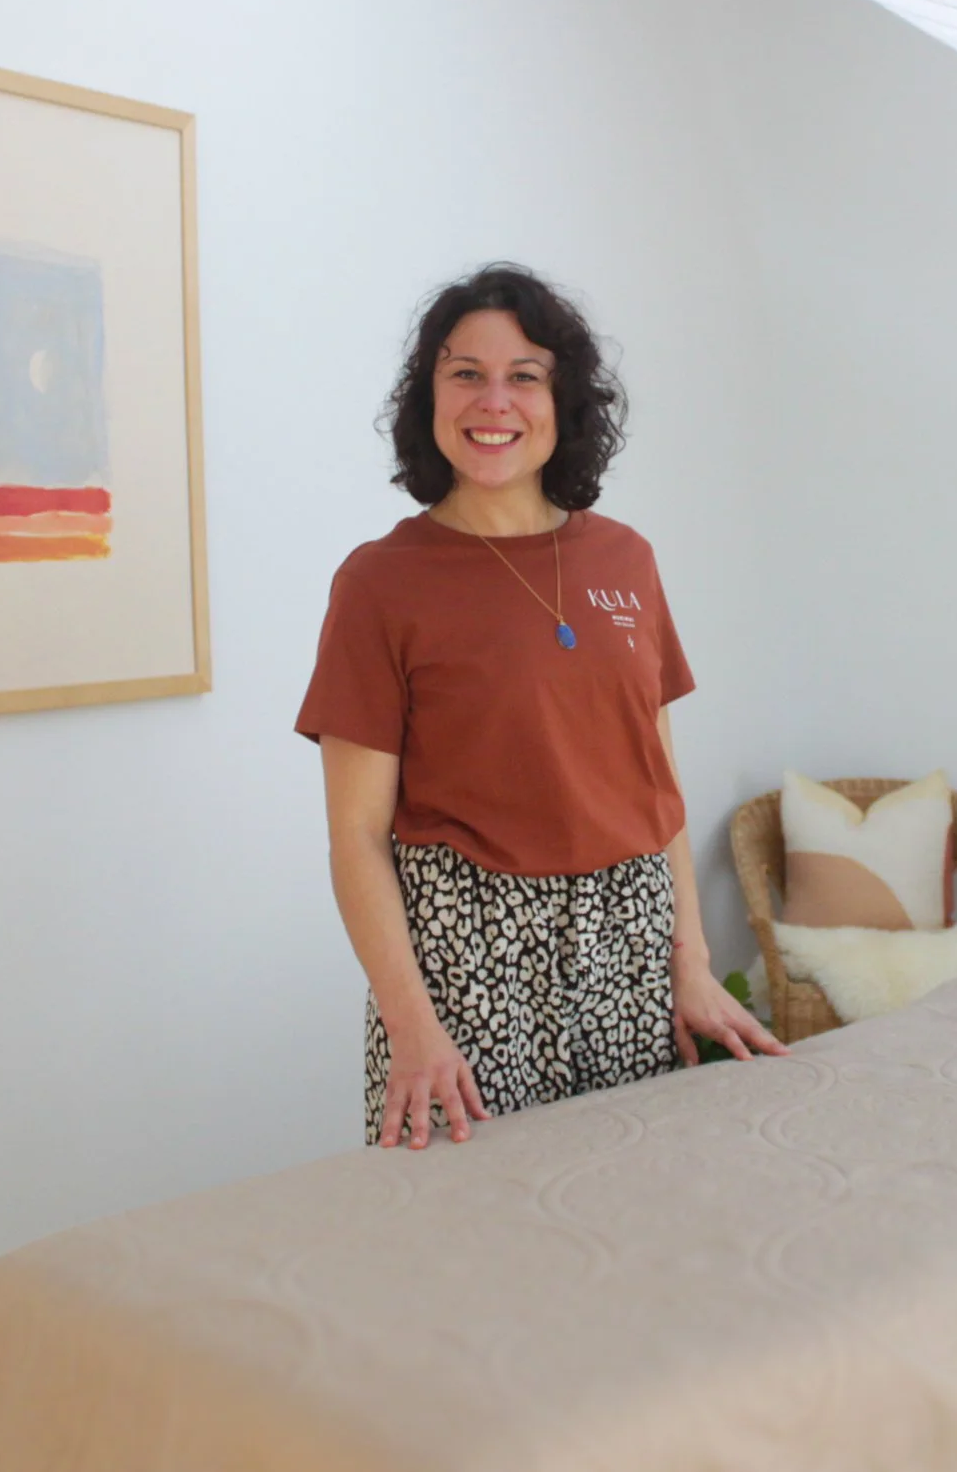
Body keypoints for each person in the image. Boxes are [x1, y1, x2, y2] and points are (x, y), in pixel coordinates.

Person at [296, 264, 784, 1150]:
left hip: (629, 942)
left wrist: (692, 962)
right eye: (466, 374)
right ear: (430, 395)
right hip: (466, 959)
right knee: (467, 1218)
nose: (495, 401)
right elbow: (356, 836)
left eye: (524, 375)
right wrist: (411, 1025)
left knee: (625, 1200)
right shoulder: (379, 583)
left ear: (563, 401)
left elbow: (657, 786)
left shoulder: (626, 560)